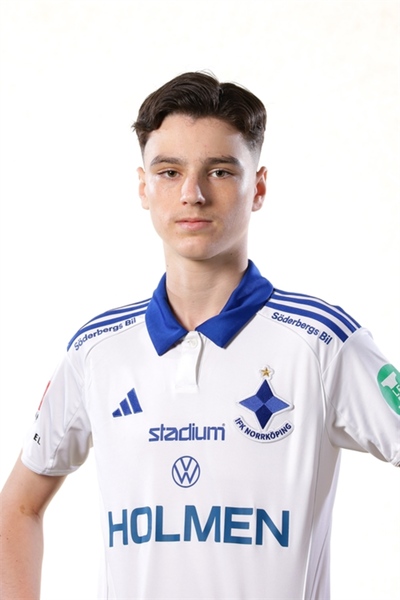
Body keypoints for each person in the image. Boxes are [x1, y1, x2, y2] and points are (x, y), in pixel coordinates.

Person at [0, 71, 399, 600]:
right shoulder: (97, 351)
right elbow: (18, 506)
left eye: (220, 171)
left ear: (258, 187)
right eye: (169, 172)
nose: (193, 193)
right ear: (143, 187)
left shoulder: (322, 343)